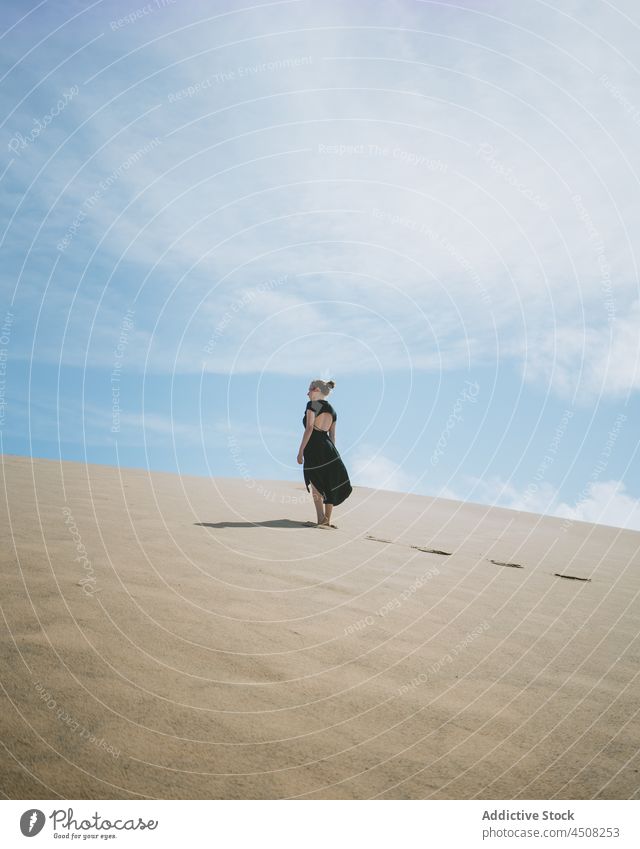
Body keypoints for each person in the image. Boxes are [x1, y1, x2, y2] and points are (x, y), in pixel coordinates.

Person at [297, 379, 352, 528]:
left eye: (309, 389)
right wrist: (333, 456)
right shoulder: (333, 411)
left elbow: (309, 428)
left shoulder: (313, 405)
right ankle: (327, 520)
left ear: (316, 390)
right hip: (329, 447)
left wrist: (300, 451)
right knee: (329, 482)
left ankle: (320, 518)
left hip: (314, 446)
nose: (307, 393)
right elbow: (332, 436)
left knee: (316, 482)